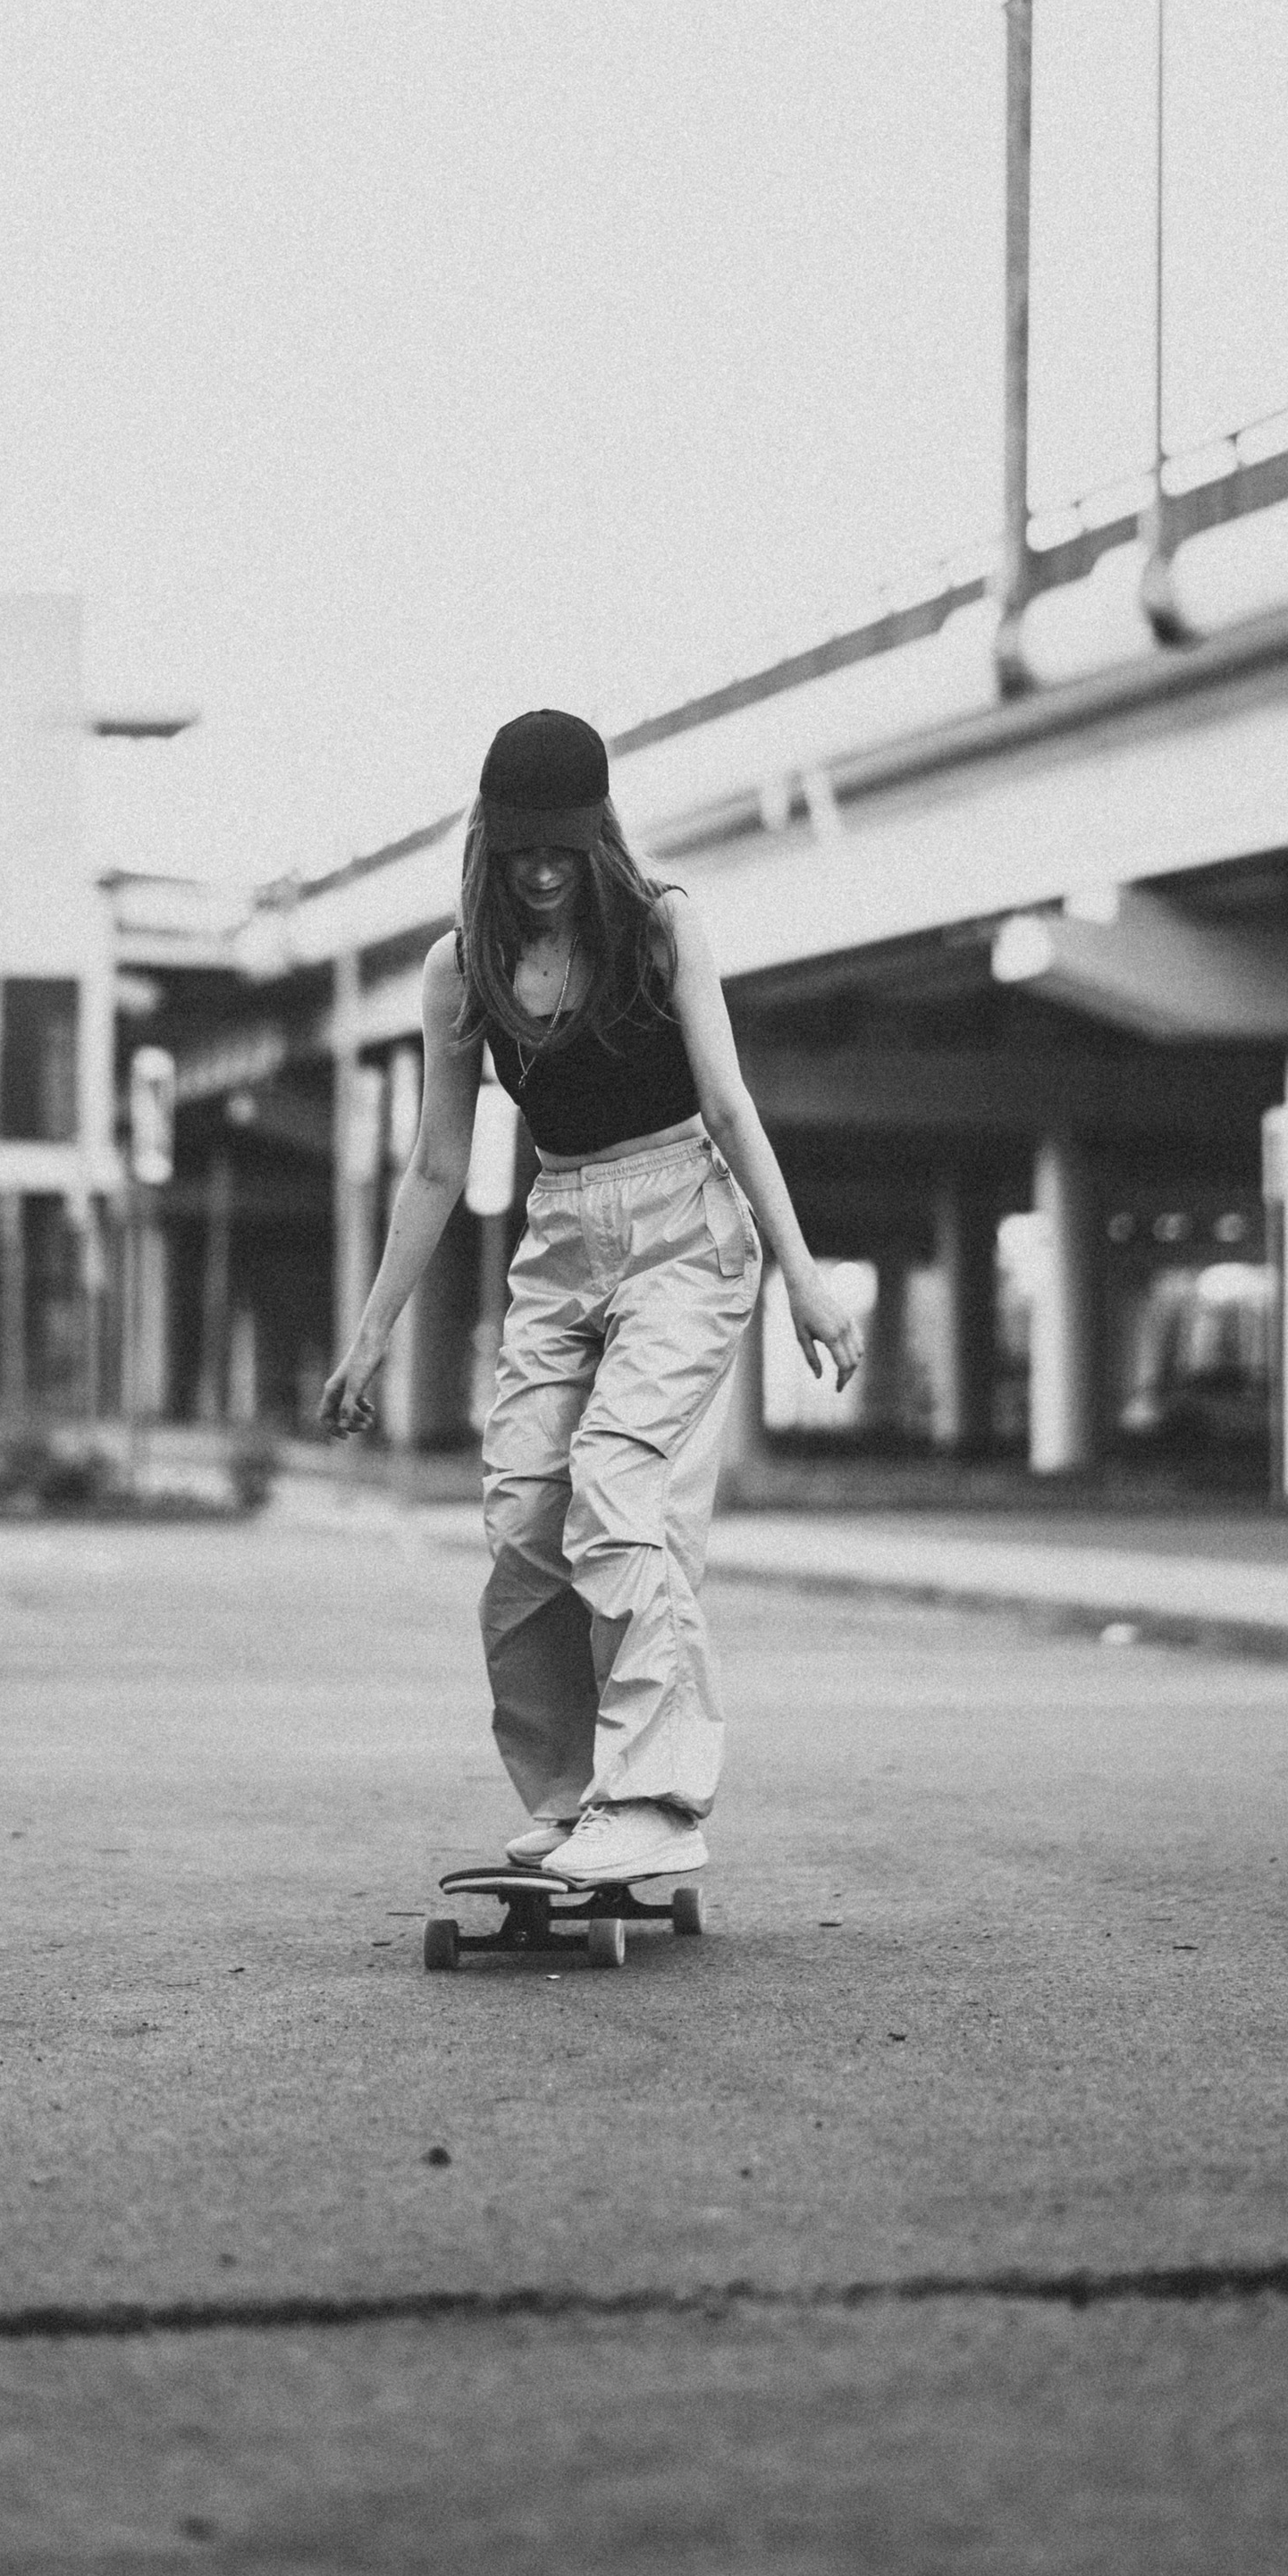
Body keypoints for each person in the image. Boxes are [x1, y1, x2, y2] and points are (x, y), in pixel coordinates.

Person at [319, 707, 863, 1886]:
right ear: (492, 846)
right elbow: (434, 1163)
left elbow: (728, 1106)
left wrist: (806, 1277)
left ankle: (660, 1795)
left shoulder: (662, 928)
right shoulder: (459, 969)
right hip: (560, 1233)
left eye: (564, 846)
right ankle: (573, 1795)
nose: (547, 872)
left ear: (597, 836)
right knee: (523, 1516)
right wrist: (370, 1337)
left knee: (616, 1485)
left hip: (688, 1228)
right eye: (523, 851)